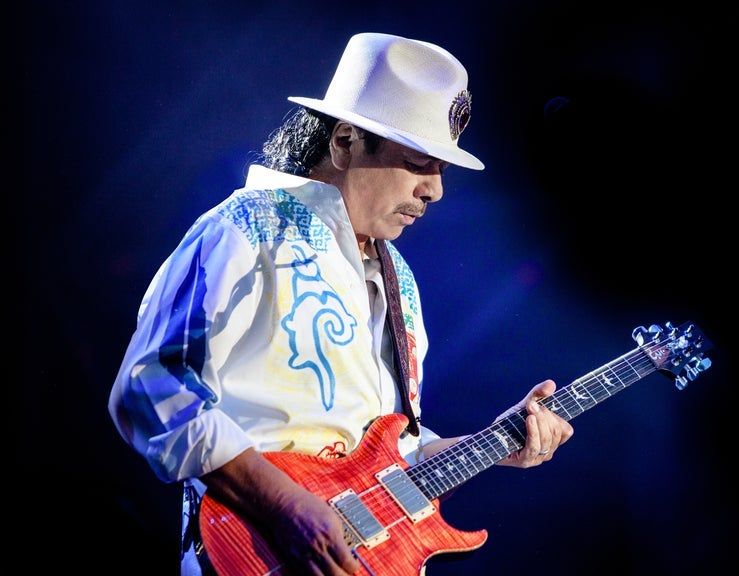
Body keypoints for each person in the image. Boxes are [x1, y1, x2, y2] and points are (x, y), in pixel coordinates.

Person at [108, 32, 573, 575]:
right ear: (345, 142)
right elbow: (149, 385)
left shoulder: (399, 279)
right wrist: (285, 506)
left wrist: (495, 443)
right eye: (418, 162)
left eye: (441, 170)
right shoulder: (247, 228)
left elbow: (393, 458)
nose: (435, 191)